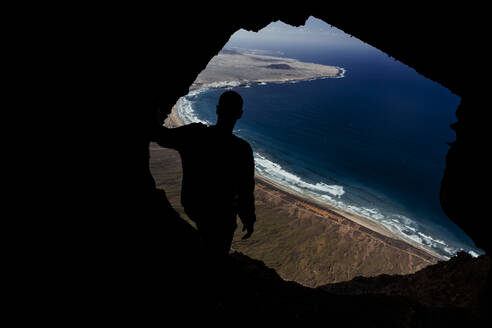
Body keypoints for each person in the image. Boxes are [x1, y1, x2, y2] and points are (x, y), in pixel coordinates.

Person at [152, 90, 256, 263]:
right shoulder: (242, 150)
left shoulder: (194, 135)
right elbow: (246, 189)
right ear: (240, 114)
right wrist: (248, 218)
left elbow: (160, 136)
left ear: (217, 110)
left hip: (195, 206)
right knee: (215, 257)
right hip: (221, 216)